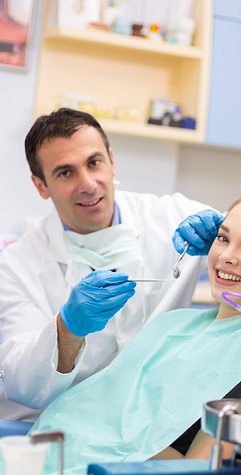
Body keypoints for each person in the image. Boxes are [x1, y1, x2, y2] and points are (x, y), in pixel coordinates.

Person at [28, 188, 241, 475]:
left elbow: (200, 474)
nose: (227, 256)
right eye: (223, 238)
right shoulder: (177, 325)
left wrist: (111, 439)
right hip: (42, 459)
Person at [0, 108, 223, 422]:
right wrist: (67, 329)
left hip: (146, 419)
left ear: (111, 160)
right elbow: (21, 384)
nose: (88, 184)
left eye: (94, 163)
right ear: (41, 186)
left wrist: (225, 236)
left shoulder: (171, 216)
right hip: (55, 423)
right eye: (65, 173)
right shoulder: (16, 266)